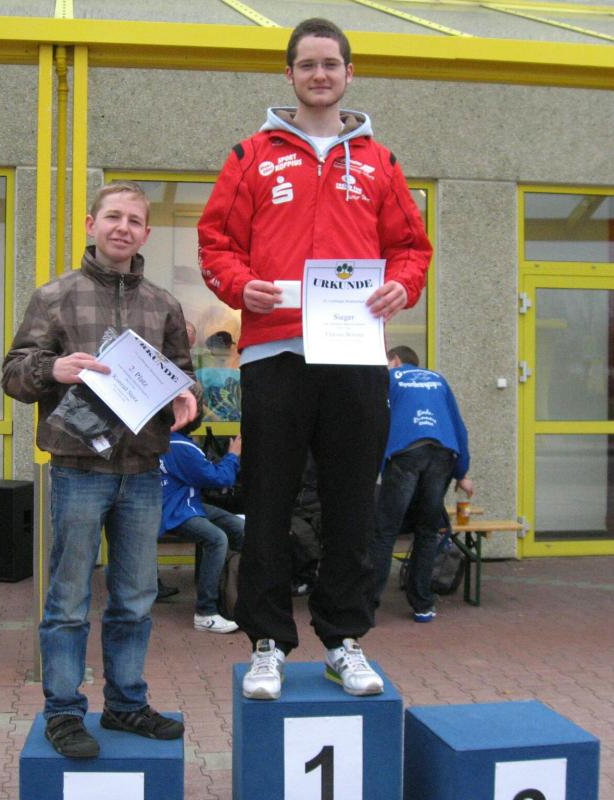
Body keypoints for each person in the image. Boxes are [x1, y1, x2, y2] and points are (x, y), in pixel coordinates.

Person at [198, 18, 432, 700]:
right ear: (290, 74)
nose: (320, 74)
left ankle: (343, 640)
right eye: (308, 64)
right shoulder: (250, 155)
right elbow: (216, 242)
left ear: (349, 73)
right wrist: (240, 286)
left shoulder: (381, 162)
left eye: (331, 63)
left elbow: (411, 249)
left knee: (352, 503)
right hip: (274, 351)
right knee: (268, 502)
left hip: (355, 355)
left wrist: (403, 285)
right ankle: (267, 643)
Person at [1, 181, 198, 759]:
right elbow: (13, 373)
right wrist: (53, 368)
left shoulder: (163, 304)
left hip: (143, 469)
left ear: (146, 233)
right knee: (67, 600)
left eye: (134, 220)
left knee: (135, 597)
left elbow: (182, 376)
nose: (123, 228)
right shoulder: (55, 296)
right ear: (91, 224)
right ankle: (64, 712)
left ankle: (126, 704)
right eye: (113, 217)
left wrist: (187, 397)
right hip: (77, 468)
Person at [370, 345, 473, 622]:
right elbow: (458, 427)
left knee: (385, 531)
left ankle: (368, 605)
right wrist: (462, 473)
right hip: (442, 455)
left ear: (395, 360)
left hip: (406, 454)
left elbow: (376, 422)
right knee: (427, 531)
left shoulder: (390, 378)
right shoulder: (438, 379)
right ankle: (423, 604)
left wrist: (372, 467)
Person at [158, 417, 244, 634]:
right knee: (216, 539)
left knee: (238, 526)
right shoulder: (181, 445)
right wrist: (233, 454)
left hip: (184, 504)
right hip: (177, 510)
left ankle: (233, 592)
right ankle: (206, 611)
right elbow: (220, 478)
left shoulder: (163, 440)